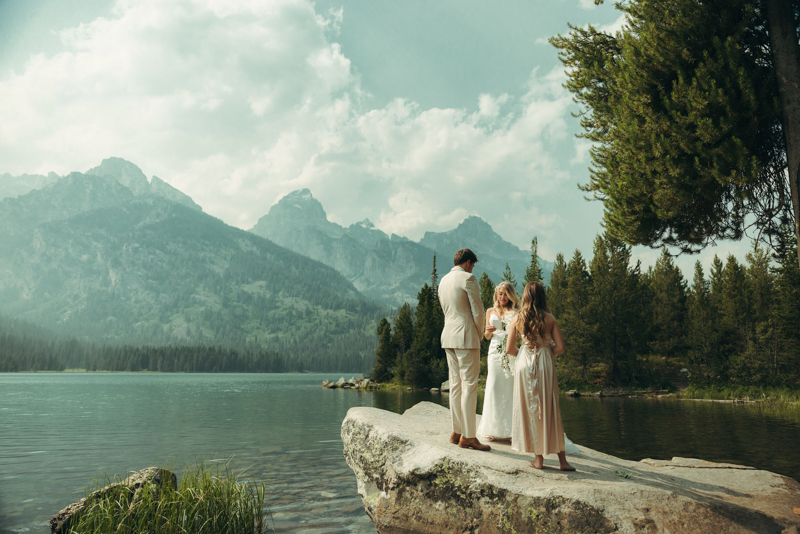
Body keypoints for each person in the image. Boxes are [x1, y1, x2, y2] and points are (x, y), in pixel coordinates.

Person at [506, 281, 575, 471]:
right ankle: (563, 461)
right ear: (542, 296)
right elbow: (560, 347)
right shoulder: (550, 319)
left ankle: (539, 460)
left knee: (530, 408)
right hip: (544, 360)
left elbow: (509, 348)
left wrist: (523, 354)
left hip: (523, 362)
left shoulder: (517, 318)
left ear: (526, 296)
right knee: (550, 407)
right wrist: (546, 352)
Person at [438, 248, 489, 451]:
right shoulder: (469, 279)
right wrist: (479, 334)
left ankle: (456, 431)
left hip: (448, 336)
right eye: (473, 264)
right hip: (466, 336)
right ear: (468, 262)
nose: (472, 268)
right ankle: (468, 436)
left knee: (455, 385)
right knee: (470, 385)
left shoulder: (443, 281)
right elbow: (478, 310)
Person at [476, 281, 519, 442]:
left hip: (510, 352)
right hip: (494, 353)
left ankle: (511, 430)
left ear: (510, 295)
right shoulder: (490, 311)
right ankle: (490, 428)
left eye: (505, 294)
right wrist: (487, 331)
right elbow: (487, 337)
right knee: (493, 386)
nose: (502, 297)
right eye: (500, 294)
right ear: (496, 295)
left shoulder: (516, 312)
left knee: (510, 387)